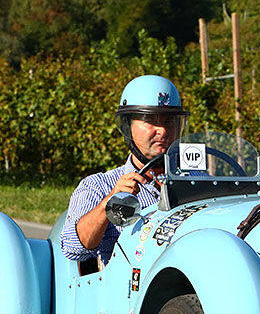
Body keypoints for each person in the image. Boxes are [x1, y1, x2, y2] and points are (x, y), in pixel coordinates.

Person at [60, 75, 187, 265]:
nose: (163, 130)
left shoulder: (198, 180)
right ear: (128, 127)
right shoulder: (99, 186)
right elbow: (72, 248)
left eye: (169, 121)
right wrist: (109, 203)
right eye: (151, 120)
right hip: (127, 291)